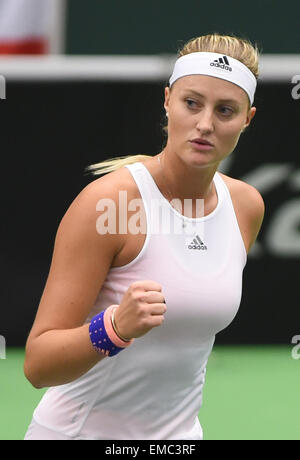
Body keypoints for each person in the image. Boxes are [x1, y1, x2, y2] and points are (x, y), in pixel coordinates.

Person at [23, 33, 264, 440]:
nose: (205, 124)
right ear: (167, 100)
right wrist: (114, 327)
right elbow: (38, 365)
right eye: (191, 103)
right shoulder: (108, 202)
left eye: (225, 110)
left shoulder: (246, 206)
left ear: (247, 119)